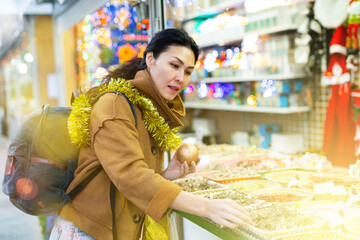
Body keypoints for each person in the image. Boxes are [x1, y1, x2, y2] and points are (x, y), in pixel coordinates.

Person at [50, 28, 250, 240]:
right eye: (174, 65)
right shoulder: (115, 104)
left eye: (188, 71)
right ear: (151, 59)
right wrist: (207, 207)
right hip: (88, 232)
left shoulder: (146, 107)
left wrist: (166, 175)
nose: (180, 78)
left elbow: (124, 179)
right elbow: (130, 176)